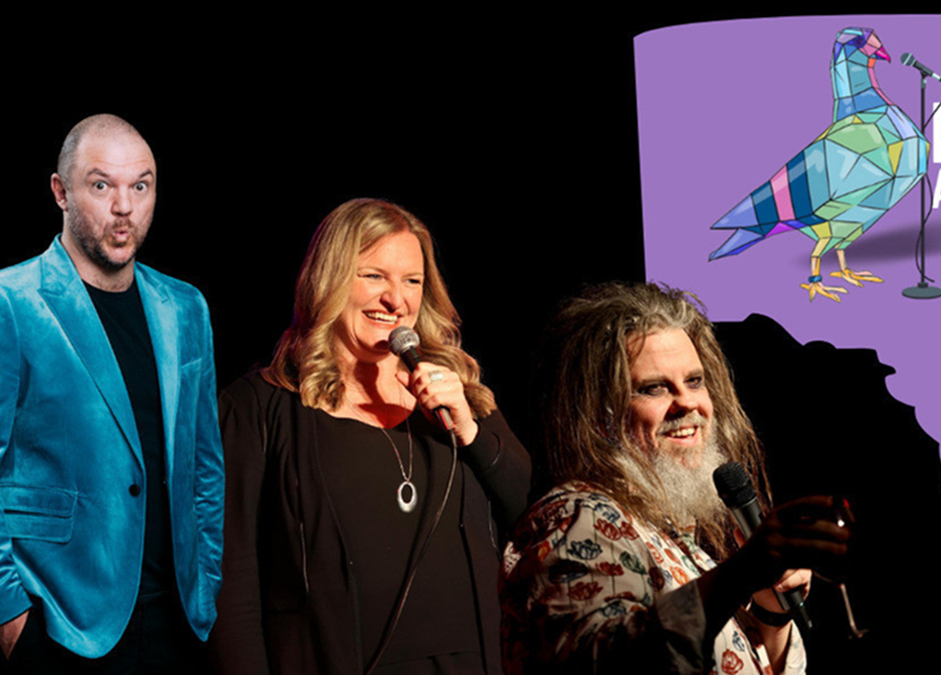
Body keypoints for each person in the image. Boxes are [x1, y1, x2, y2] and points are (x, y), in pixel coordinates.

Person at [212, 198, 531, 674]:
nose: (395, 300)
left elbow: (530, 513)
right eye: (374, 276)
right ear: (329, 279)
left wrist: (469, 428)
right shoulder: (259, 407)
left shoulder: (458, 395)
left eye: (412, 281)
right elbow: (231, 584)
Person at [0, 114, 223, 672]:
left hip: (178, 618)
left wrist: (206, 582)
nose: (124, 207)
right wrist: (8, 616)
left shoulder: (186, 307)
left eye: (141, 186)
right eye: (102, 185)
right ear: (61, 192)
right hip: (61, 622)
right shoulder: (4, 303)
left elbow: (204, 465)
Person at [500, 282, 848, 675]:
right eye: (653, 388)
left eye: (695, 381)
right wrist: (740, 573)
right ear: (598, 414)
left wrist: (770, 615)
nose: (688, 402)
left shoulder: (670, 536)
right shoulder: (579, 517)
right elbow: (601, 663)